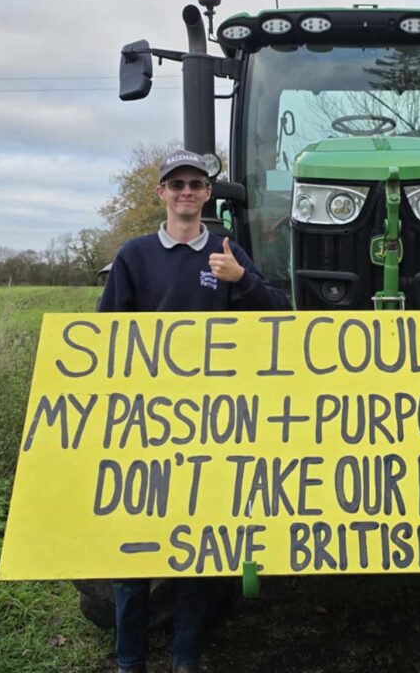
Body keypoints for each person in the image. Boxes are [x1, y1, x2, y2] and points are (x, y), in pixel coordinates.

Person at [99, 148, 290, 673]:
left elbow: (280, 315)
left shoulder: (230, 252)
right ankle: (129, 661)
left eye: (196, 184)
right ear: (160, 193)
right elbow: (106, 338)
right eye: (176, 183)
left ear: (208, 194)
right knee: (131, 552)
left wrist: (239, 280)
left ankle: (186, 657)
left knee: (197, 550)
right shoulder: (134, 256)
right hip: (146, 423)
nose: (186, 192)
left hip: (213, 421)